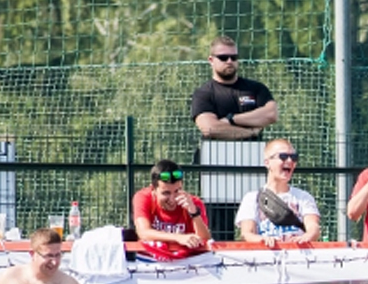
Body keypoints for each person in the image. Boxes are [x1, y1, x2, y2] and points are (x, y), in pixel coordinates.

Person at [191, 36, 279, 239]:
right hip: (215, 169)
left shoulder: (255, 88)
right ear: (211, 60)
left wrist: (231, 120)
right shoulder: (204, 93)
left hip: (252, 165)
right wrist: (249, 131)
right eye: (223, 57)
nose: (230, 61)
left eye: (234, 57)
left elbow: (270, 114)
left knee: (258, 226)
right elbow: (209, 128)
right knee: (220, 234)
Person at [236, 138, 321, 245]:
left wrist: (308, 236)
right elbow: (247, 233)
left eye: (294, 157)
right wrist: (262, 240)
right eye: (283, 157)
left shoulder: (303, 197)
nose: (289, 161)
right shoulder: (252, 198)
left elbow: (313, 227)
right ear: (267, 163)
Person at [131, 160, 212, 260]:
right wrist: (178, 238)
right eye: (166, 193)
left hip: (185, 263)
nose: (172, 199)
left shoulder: (193, 203)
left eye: (177, 191)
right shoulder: (143, 197)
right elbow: (143, 233)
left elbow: (205, 240)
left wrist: (194, 213)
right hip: (151, 260)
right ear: (153, 189)